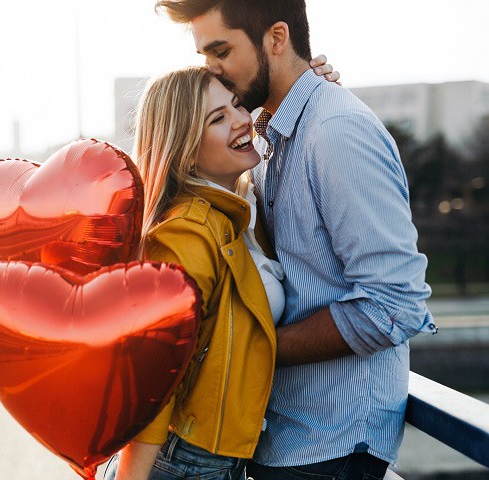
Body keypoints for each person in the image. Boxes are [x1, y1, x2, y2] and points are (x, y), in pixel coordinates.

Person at [154, 1, 435, 479]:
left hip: (331, 445)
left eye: (221, 51)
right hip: (278, 435)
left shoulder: (335, 131)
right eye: (205, 57)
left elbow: (395, 305)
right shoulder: (270, 136)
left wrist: (249, 349)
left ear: (276, 38)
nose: (213, 70)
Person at [104, 56, 339, 480]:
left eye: (237, 104)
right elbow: (156, 377)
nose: (241, 120)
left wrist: (309, 95)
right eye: (218, 117)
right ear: (185, 149)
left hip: (219, 460)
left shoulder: (238, 208)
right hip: (183, 464)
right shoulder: (187, 235)